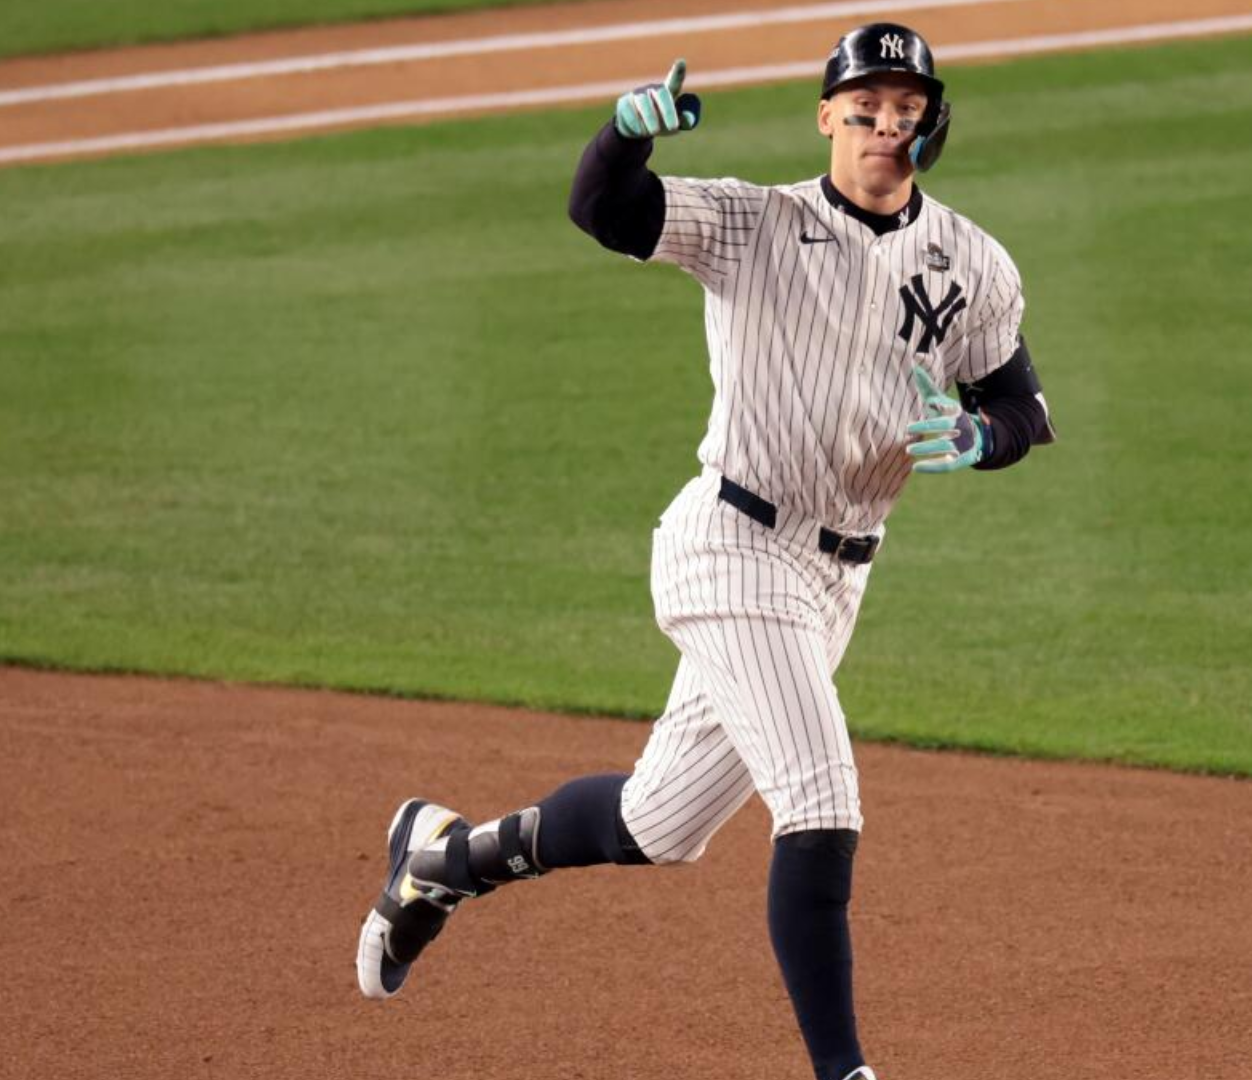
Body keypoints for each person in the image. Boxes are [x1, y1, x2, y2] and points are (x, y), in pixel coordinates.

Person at [353, 23, 1054, 1080]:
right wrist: (623, 137)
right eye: (864, 107)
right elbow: (605, 209)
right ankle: (845, 1073)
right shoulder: (751, 223)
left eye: (906, 109)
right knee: (820, 799)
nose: (884, 125)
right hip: (730, 544)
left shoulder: (973, 261)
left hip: (834, 580)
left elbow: (1021, 409)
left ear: (931, 124)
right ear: (827, 117)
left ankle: (444, 859)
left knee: (658, 822)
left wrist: (978, 437)